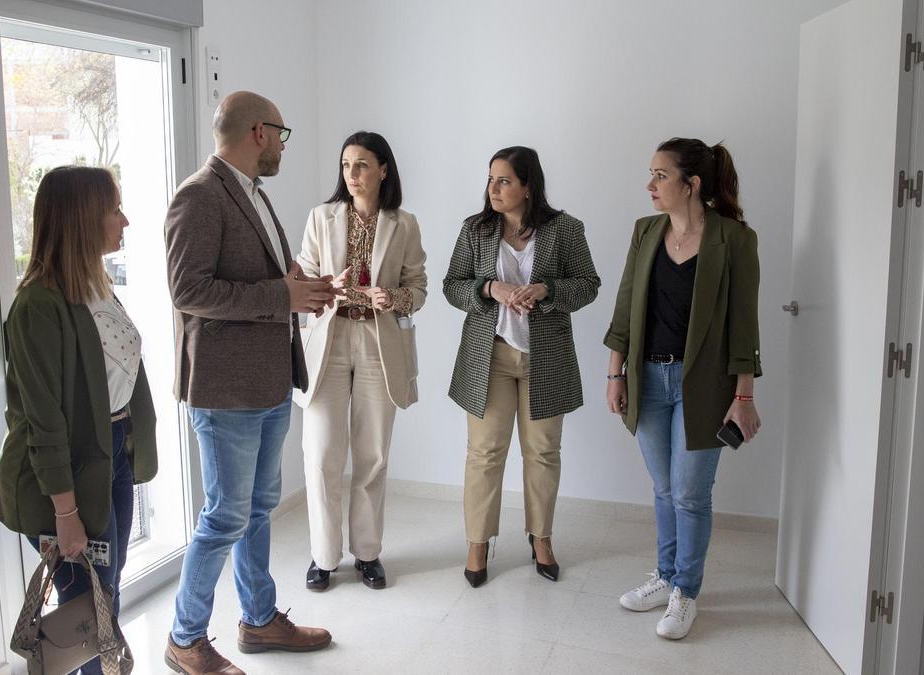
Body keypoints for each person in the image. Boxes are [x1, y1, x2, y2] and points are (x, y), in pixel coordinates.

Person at [163, 91, 336, 675]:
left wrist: (299, 285)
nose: (283, 146)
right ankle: (186, 638)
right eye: (282, 135)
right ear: (259, 132)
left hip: (267, 384)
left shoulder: (254, 195)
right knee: (225, 516)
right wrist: (278, 296)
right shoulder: (199, 196)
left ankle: (258, 621)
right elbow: (188, 292)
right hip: (224, 391)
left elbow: (259, 282)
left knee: (257, 509)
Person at [0, 165, 157, 675]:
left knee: (102, 591)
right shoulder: (37, 306)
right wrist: (65, 513)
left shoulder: (98, 286)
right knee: (87, 603)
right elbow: (45, 423)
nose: (125, 221)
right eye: (114, 210)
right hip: (59, 478)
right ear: (82, 220)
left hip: (111, 455)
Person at [604, 138, 762, 640]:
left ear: (691, 184)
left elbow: (744, 325)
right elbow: (626, 306)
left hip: (706, 386)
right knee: (664, 489)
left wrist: (744, 397)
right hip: (647, 379)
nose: (650, 185)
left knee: (691, 495)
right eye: (651, 174)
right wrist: (615, 372)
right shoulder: (645, 231)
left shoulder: (734, 239)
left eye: (661, 175)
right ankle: (666, 575)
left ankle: (685, 592)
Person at [443, 146, 600, 588]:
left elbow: (588, 284)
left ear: (528, 186)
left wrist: (546, 290)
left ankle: (541, 538)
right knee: (484, 453)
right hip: (489, 356)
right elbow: (452, 286)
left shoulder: (565, 230)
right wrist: (489, 287)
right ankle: (478, 542)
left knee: (544, 453)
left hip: (545, 359)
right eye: (491, 179)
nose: (494, 188)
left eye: (505, 180)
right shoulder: (475, 230)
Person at [294, 131, 428, 592]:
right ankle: (323, 557)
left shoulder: (404, 223)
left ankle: (367, 554)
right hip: (328, 340)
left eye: (363, 165)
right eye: (346, 165)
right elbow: (303, 280)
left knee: (371, 455)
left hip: (377, 341)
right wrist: (326, 287)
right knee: (322, 455)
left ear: (383, 169)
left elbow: (419, 289)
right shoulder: (320, 217)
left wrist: (392, 297)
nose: (352, 174)